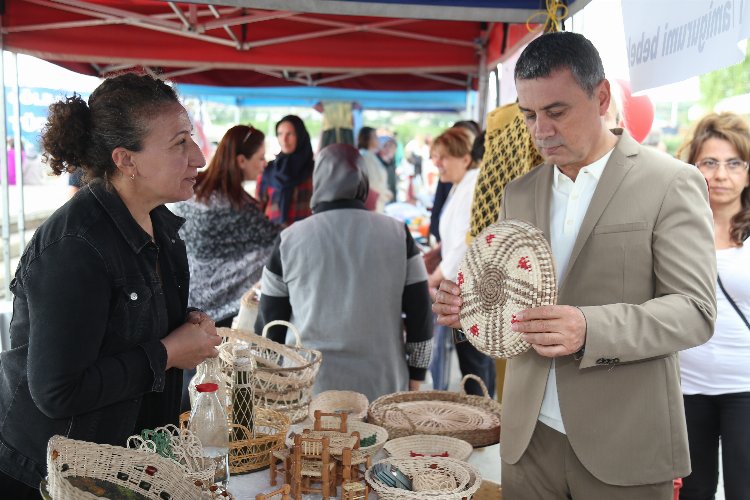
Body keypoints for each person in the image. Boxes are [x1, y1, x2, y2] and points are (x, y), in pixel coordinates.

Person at [433, 31, 716, 498]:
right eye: (529, 115)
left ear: (601, 96)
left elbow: (695, 311)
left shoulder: (671, 182)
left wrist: (589, 328)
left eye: (556, 111)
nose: (540, 130)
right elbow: (506, 302)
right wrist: (467, 306)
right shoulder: (518, 192)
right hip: (527, 439)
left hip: (623, 440)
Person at [0, 73, 222, 498]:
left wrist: (185, 327)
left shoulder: (162, 225)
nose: (198, 157)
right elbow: (56, 391)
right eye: (179, 143)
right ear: (126, 160)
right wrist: (169, 351)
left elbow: (125, 330)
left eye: (191, 138)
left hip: (123, 464)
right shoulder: (75, 246)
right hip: (52, 475)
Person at [255, 144, 433, 402]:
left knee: (315, 444)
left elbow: (270, 324)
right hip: (382, 385)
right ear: (364, 181)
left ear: (318, 181)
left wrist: (272, 384)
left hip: (310, 386)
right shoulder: (397, 234)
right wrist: (416, 377)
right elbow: (421, 313)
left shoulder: (289, 239)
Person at [676, 112, 750, 500]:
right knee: (693, 491)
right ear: (693, 169)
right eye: (710, 162)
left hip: (746, 386)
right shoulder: (677, 228)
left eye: (734, 163)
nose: (721, 174)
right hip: (685, 385)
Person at [172, 125, 280, 328]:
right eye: (260, 158)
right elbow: (277, 243)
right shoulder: (238, 208)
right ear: (241, 161)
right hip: (221, 312)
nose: (264, 164)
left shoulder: (191, 189)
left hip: (184, 298)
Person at [427, 127, 494, 396]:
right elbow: (453, 238)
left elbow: (463, 244)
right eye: (435, 157)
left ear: (465, 158)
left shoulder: (471, 186)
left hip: (468, 292)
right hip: (461, 289)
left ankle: (484, 416)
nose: (437, 164)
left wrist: (432, 279)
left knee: (474, 361)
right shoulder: (460, 186)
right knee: (472, 358)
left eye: (443, 158)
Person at [257, 115, 314, 226]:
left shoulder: (313, 170)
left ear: (300, 136)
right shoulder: (269, 169)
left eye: (290, 134)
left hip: (304, 235)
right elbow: (259, 205)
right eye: (280, 134)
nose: (284, 139)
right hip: (272, 234)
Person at [357, 126, 391, 212]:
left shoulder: (370, 155)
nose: (378, 139)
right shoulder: (364, 156)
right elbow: (371, 181)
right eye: (375, 136)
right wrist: (385, 192)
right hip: (373, 201)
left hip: (378, 199)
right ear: (368, 139)